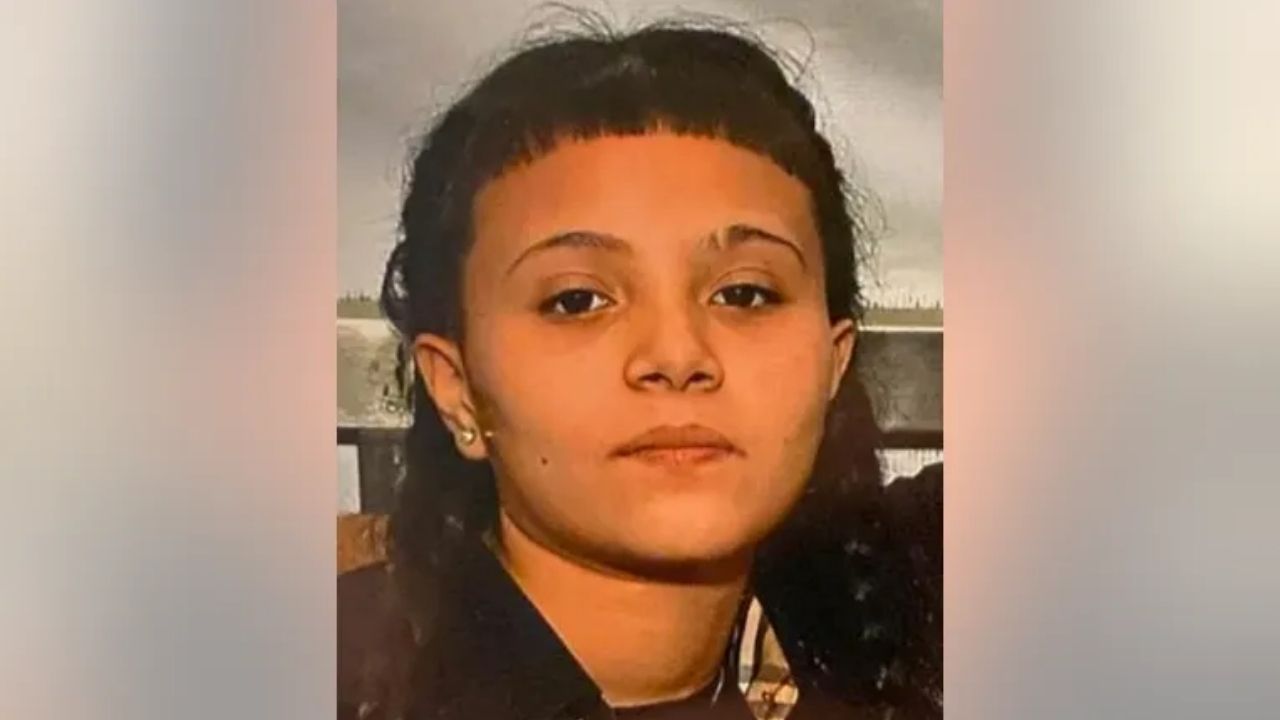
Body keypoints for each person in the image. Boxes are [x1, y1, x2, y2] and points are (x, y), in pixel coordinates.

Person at [339, 18, 942, 720]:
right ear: (457, 387)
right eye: (577, 300)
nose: (677, 357)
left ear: (834, 363)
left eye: (745, 294)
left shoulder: (882, 633)